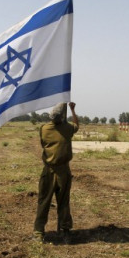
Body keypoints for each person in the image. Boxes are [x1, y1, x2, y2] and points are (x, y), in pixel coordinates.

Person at [34, 101, 79, 244]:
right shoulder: (66, 128)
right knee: (59, 202)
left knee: (46, 202)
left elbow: (43, 145)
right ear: (62, 117)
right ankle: (61, 231)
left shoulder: (44, 128)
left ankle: (40, 232)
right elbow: (76, 126)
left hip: (52, 169)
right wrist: (72, 110)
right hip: (58, 170)